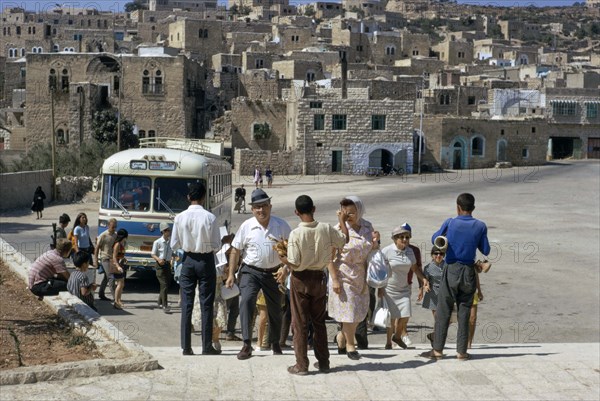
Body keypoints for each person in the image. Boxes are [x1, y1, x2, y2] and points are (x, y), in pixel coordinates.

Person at [280, 195, 347, 375]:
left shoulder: (296, 233)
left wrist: (282, 258)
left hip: (300, 280)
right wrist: (341, 221)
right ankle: (324, 362)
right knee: (319, 322)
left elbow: (294, 262)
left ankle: (301, 365)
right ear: (314, 209)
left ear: (296, 212)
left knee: (300, 323)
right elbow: (343, 240)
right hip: (319, 278)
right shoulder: (325, 228)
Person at [421, 193, 490, 361]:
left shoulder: (450, 222)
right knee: (464, 311)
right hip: (468, 270)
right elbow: (486, 250)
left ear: (458, 207)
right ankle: (462, 352)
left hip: (451, 269)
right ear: (473, 208)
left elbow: (434, 239)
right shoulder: (480, 226)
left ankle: (437, 350)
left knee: (443, 310)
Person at [225, 188, 291, 360]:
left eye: (264, 206)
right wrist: (231, 273)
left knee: (276, 309)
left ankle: (275, 342)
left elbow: (292, 251)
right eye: (257, 207)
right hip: (250, 271)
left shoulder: (281, 225)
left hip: (274, 273)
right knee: (246, 301)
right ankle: (247, 344)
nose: (261, 210)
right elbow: (235, 250)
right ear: (253, 209)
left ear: (270, 206)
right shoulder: (247, 226)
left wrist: (285, 270)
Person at [170, 182, 222, 356]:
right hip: (205, 261)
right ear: (204, 197)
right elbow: (216, 244)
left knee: (187, 304)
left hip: (188, 260)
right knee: (206, 304)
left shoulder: (179, 217)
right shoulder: (210, 217)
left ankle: (186, 347)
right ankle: (206, 346)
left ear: (188, 197)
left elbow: (174, 244)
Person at [328, 196, 379, 361]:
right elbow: (329, 257)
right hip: (343, 273)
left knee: (359, 312)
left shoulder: (367, 226)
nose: (349, 215)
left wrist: (376, 243)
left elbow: (371, 249)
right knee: (348, 311)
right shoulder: (337, 230)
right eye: (345, 212)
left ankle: (341, 337)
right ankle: (351, 344)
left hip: (361, 273)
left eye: (352, 212)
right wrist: (335, 279)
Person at [380, 224, 430, 350]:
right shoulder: (387, 251)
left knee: (406, 314)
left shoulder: (410, 251)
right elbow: (380, 270)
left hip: (404, 289)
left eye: (407, 237)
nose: (404, 240)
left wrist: (423, 279)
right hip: (389, 289)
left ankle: (397, 336)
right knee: (391, 318)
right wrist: (380, 287)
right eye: (401, 237)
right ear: (395, 238)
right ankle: (388, 343)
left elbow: (414, 268)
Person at [421, 246, 447, 346]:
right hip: (433, 295)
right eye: (436, 254)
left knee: (447, 319)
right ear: (432, 255)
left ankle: (434, 336)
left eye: (441, 254)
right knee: (438, 319)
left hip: (445, 294)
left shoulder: (447, 265)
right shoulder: (428, 267)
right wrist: (425, 286)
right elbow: (425, 279)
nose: (438, 256)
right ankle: (437, 342)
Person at [152, 222, 173, 313]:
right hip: (160, 265)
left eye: (169, 230)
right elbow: (153, 253)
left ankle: (159, 301)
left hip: (167, 264)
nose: (169, 232)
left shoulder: (170, 242)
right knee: (164, 284)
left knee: (167, 284)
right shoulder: (157, 242)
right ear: (163, 231)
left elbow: (171, 252)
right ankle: (165, 305)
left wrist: (174, 256)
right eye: (167, 230)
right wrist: (158, 259)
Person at [94, 218, 117, 301]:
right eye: (112, 227)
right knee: (111, 277)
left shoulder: (115, 235)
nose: (114, 229)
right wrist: (95, 260)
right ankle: (115, 298)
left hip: (112, 259)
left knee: (106, 278)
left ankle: (101, 294)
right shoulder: (103, 235)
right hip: (105, 258)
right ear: (108, 226)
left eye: (115, 227)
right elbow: (96, 248)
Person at [110, 229, 129, 310]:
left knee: (122, 283)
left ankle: (118, 300)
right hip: (116, 266)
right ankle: (116, 301)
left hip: (120, 264)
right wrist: (117, 266)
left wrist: (123, 258)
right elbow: (114, 256)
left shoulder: (121, 244)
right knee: (120, 283)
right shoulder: (117, 244)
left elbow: (119, 255)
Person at [468, 273, 484, 349]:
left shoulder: (471, 262)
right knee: (455, 318)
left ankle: (469, 341)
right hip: (458, 292)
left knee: (473, 318)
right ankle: (437, 337)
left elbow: (476, 275)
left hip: (472, 291)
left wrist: (479, 291)